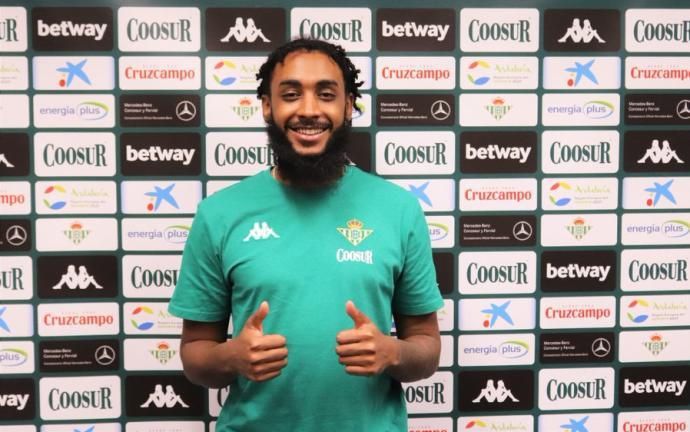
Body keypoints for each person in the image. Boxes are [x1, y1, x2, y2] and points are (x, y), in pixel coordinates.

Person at [168, 38, 443, 432]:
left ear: (348, 105)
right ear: (267, 106)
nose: (309, 110)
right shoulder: (219, 214)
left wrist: (392, 352)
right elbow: (195, 355)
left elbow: (426, 347)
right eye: (291, 94)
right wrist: (232, 357)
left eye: (326, 94)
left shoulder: (398, 209)